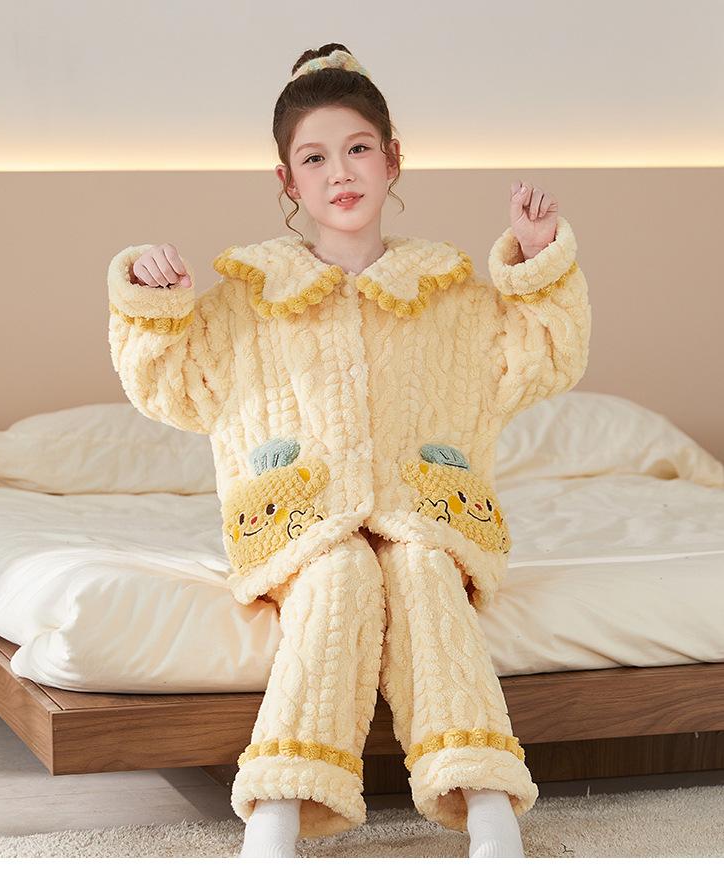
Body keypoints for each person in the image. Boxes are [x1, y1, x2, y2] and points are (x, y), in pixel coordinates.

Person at [106, 43, 591, 858]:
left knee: (421, 570)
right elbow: (173, 387)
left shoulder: (449, 294)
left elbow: (543, 356)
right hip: (299, 520)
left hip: (425, 511)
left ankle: (489, 808)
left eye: (358, 148)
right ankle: (276, 814)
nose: (341, 173)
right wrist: (154, 300)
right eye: (315, 158)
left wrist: (537, 259)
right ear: (287, 181)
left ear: (392, 159)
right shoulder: (247, 300)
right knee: (340, 574)